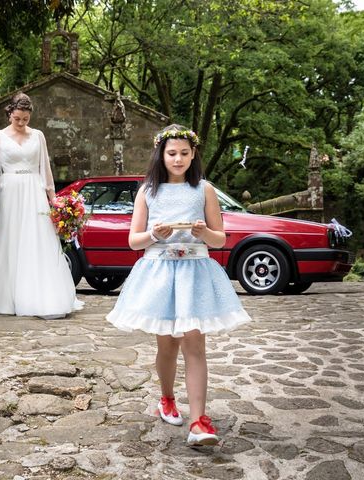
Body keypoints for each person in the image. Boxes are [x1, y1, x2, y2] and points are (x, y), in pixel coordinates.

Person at [106, 124, 251, 447]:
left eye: (185, 153)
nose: (178, 159)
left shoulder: (204, 190)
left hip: (194, 272)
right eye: (172, 153)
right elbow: (134, 241)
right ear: (161, 154)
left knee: (194, 344)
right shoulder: (148, 191)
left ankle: (199, 420)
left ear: (193, 154)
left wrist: (203, 234)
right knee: (167, 345)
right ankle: (167, 398)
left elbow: (220, 238)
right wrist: (156, 235)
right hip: (159, 272)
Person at [0, 92, 82, 318]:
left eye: (26, 119)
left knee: (36, 241)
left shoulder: (38, 136)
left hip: (34, 191)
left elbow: (45, 168)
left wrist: (53, 199)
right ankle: (1, 298)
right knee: (7, 241)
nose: (22, 123)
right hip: (8, 193)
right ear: (10, 115)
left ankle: (39, 296)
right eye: (18, 119)